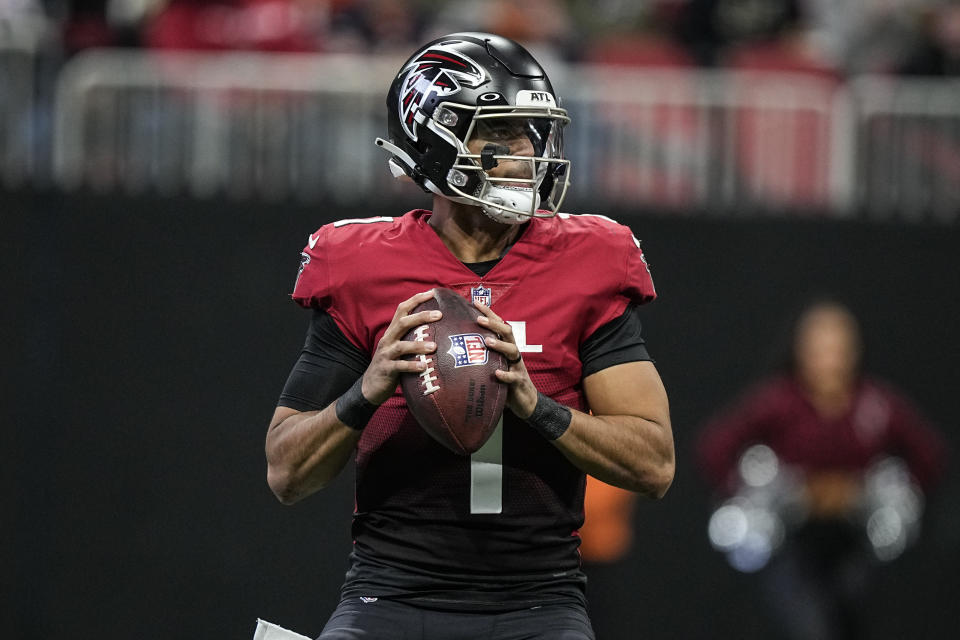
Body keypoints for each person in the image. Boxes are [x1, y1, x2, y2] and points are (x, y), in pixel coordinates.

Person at [264, 32, 675, 640]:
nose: (524, 155)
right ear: (431, 142)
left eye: (530, 135)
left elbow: (655, 464)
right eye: (501, 135)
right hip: (389, 594)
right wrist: (367, 390)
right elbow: (285, 474)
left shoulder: (588, 258)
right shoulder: (361, 264)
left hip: (541, 602)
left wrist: (539, 409)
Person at [696, 299, 945, 640]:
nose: (829, 360)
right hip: (794, 544)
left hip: (855, 546)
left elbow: (930, 455)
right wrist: (753, 495)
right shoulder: (779, 402)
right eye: (819, 349)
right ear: (800, 351)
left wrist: (890, 495)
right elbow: (714, 447)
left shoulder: (875, 404)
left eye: (838, 348)